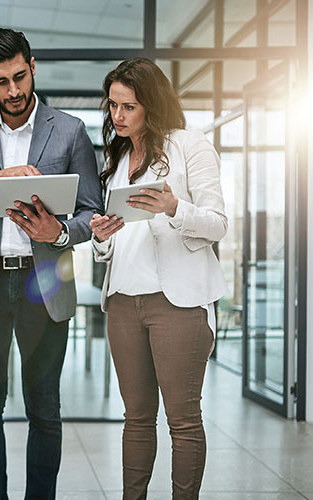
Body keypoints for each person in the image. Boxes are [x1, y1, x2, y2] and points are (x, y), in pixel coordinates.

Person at [0, 29, 103, 500]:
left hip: (44, 279)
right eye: (0, 82)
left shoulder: (69, 130)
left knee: (45, 408)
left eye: (19, 77)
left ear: (33, 66)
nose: (13, 91)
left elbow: (92, 212)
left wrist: (62, 232)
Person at [90, 57, 228, 499]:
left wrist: (174, 208)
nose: (118, 116)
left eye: (128, 106)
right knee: (136, 418)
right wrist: (101, 238)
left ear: (151, 104)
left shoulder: (189, 144)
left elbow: (218, 223)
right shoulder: (116, 159)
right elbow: (113, 245)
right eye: (112, 106)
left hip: (178, 304)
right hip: (123, 303)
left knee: (183, 421)